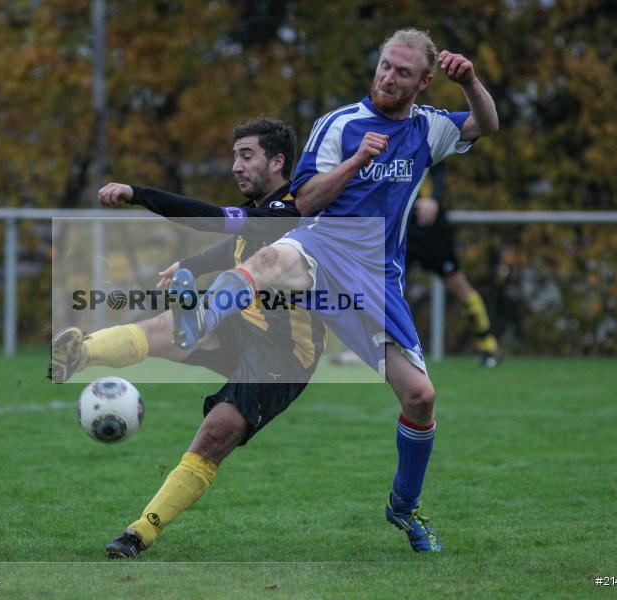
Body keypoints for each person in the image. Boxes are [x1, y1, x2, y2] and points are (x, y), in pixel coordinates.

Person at [169, 28, 499, 553]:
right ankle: (199, 320)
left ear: (424, 82)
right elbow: (304, 204)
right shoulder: (341, 125)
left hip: (376, 280)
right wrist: (356, 162)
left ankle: (404, 508)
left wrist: (472, 83)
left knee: (421, 397)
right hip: (323, 249)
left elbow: (486, 124)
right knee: (275, 256)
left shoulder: (428, 128)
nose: (389, 77)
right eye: (385, 65)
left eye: (403, 72)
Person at [50, 117, 327, 558]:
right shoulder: (262, 213)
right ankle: (78, 354)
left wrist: (138, 194)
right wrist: (192, 266)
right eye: (234, 155)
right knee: (168, 326)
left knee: (217, 432)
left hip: (285, 353)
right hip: (243, 324)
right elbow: (233, 246)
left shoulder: (292, 210)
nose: (236, 166)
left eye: (247, 155)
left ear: (277, 161)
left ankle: (141, 531)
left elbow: (216, 221)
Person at [406, 165, 501, 366]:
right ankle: (366, 349)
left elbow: (439, 170)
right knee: (382, 286)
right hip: (400, 227)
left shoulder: (426, 136)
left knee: (457, 284)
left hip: (431, 228)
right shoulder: (377, 140)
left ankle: (488, 346)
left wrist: (433, 199)